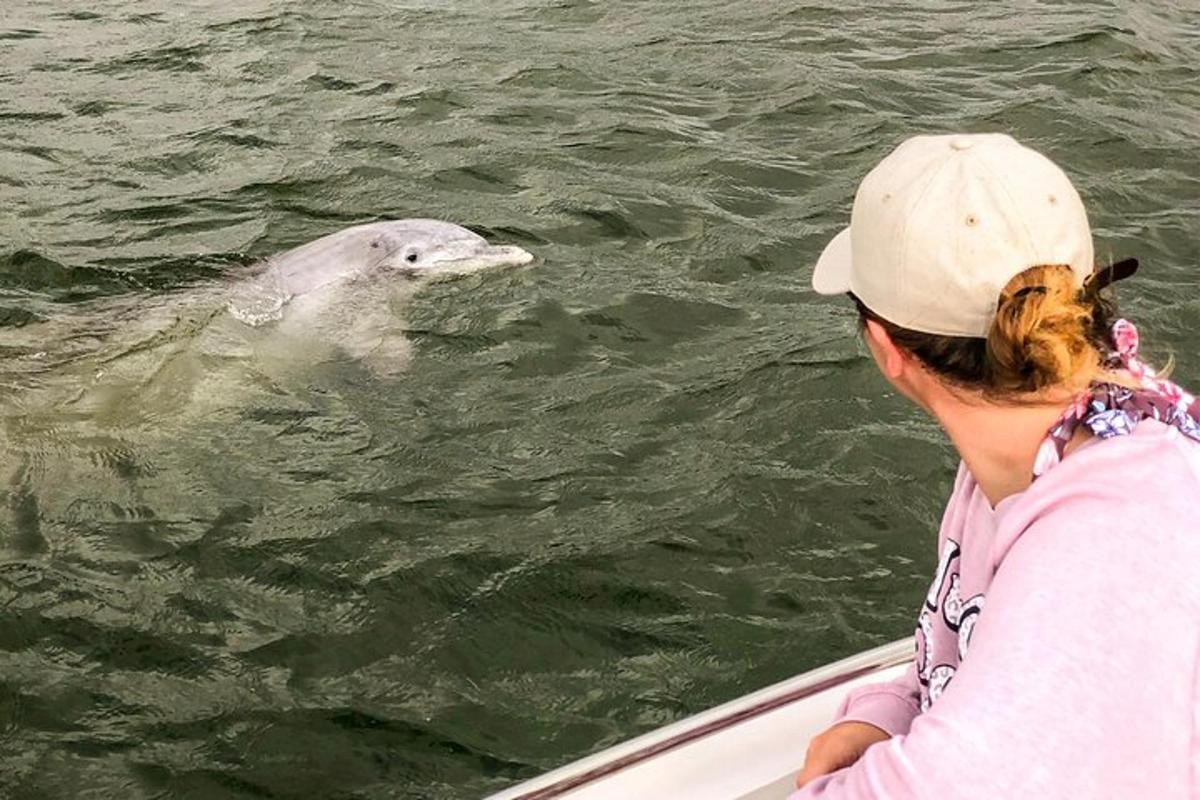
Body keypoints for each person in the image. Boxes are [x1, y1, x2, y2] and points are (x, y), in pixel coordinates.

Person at [790, 133, 1200, 799]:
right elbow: (983, 645)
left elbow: (951, 782)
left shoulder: (1114, 536)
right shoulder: (1044, 442)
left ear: (886, 347)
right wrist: (891, 711)